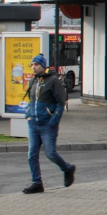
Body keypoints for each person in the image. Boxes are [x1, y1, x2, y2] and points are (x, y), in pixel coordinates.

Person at [23, 54, 75, 193]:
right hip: (33, 123)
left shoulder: (53, 81)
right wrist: (28, 115)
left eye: (36, 65)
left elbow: (60, 102)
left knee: (50, 153)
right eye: (32, 65)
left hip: (47, 125)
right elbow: (31, 101)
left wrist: (53, 120)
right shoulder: (33, 81)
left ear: (43, 66)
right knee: (32, 154)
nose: (33, 67)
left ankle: (67, 168)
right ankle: (37, 182)